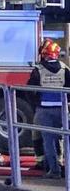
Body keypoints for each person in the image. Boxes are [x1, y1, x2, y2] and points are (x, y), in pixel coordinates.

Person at [29, 39, 70, 178]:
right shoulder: (65, 69)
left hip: (44, 109)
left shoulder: (38, 70)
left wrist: (36, 102)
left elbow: (29, 89)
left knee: (48, 141)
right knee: (64, 139)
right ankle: (66, 169)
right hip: (62, 109)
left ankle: (54, 170)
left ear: (45, 54)